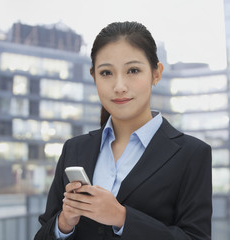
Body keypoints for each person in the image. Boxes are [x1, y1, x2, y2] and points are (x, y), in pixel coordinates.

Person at [34, 21, 212, 240]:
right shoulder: (74, 148)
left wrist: (122, 218)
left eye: (133, 70)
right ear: (94, 77)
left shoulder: (192, 154)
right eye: (106, 72)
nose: (119, 86)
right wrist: (64, 223)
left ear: (156, 73)